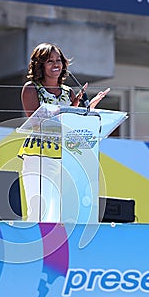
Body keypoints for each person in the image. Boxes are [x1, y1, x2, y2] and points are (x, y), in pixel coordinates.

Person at [19, 42, 110, 222]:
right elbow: (36, 122)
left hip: (66, 158)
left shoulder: (68, 92)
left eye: (58, 60)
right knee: (39, 213)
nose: (55, 64)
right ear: (40, 65)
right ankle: (34, 248)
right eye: (49, 61)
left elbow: (72, 122)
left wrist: (86, 109)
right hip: (39, 157)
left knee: (60, 214)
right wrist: (66, 111)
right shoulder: (32, 88)